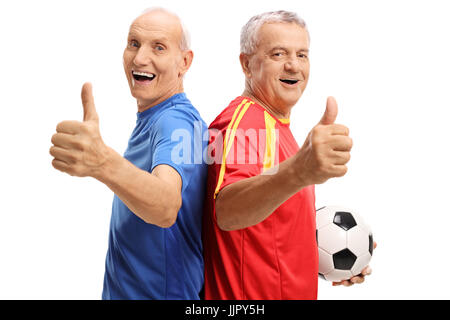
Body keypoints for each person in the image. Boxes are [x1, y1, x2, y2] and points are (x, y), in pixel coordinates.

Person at [203, 10, 373, 300]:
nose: (293, 66)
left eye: (302, 55)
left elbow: (272, 228)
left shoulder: (277, 126)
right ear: (246, 64)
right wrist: (299, 171)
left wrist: (342, 252)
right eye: (278, 54)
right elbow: (227, 211)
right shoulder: (245, 122)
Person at [49, 8, 208, 300]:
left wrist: (103, 162)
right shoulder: (154, 117)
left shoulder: (176, 122)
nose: (139, 58)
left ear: (184, 62)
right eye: (133, 43)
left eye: (158, 47)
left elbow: (165, 206)